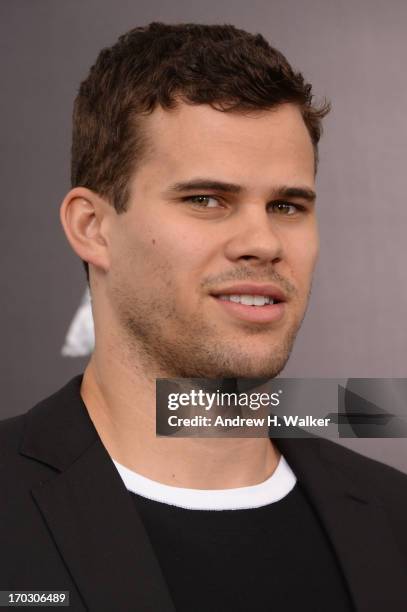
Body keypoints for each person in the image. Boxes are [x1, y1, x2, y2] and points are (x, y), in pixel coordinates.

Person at [0, 22, 406, 612]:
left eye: (286, 205)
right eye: (207, 200)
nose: (263, 241)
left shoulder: (394, 519)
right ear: (93, 228)